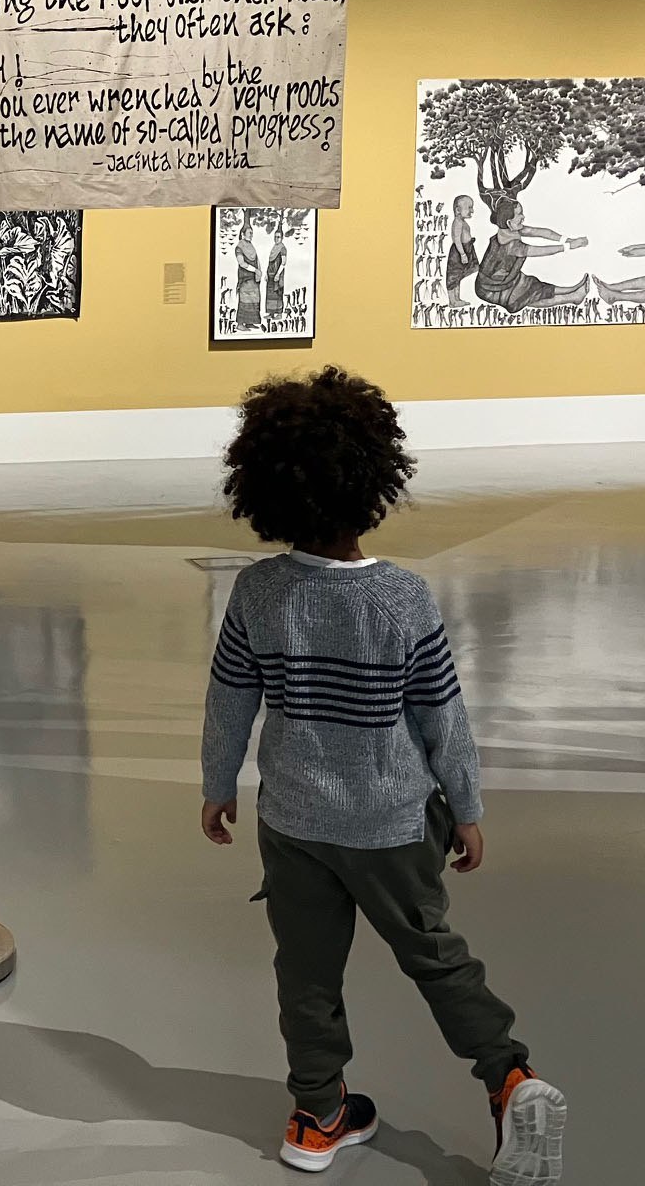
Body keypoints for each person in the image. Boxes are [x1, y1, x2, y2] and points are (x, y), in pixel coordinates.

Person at [201, 367, 567, 1183]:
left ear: (265, 489)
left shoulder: (258, 592)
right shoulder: (402, 599)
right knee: (434, 955)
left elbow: (229, 702)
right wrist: (466, 806)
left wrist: (218, 785)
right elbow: (443, 716)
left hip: (294, 824)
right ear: (376, 485)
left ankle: (318, 1115)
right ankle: (508, 1077)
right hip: (393, 826)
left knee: (305, 973)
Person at [474, 198, 588, 314]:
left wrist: (568, 240)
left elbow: (539, 232)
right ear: (509, 223)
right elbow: (542, 251)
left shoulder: (508, 230)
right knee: (531, 293)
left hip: (504, 280)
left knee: (532, 289)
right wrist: (569, 246)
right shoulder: (513, 246)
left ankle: (574, 292)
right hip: (492, 288)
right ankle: (574, 295)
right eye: (519, 214)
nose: (523, 217)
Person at [445, 194, 479, 307]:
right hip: (459, 252)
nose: (472, 211)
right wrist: (463, 254)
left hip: (467, 249)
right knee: (453, 276)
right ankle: (452, 301)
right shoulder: (457, 223)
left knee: (459, 276)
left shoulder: (462, 221)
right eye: (469, 208)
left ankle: (457, 299)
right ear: (458, 210)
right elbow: (456, 239)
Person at [235, 217, 262, 330]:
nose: (251, 235)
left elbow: (256, 259)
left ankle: (250, 322)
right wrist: (255, 270)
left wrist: (259, 271)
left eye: (252, 233)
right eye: (249, 233)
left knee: (254, 299)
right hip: (245, 279)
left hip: (254, 279)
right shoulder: (239, 247)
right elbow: (241, 263)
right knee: (245, 300)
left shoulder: (251, 245)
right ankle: (240, 324)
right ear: (243, 234)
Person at [266, 218, 288, 318]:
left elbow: (283, 263)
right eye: (275, 237)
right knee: (271, 294)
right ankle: (271, 314)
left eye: (278, 237)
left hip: (278, 275)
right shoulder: (273, 248)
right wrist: (266, 274)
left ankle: (279, 314)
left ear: (282, 238)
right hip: (270, 274)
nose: (276, 239)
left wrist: (278, 274)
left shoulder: (282, 248)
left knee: (278, 293)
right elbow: (270, 262)